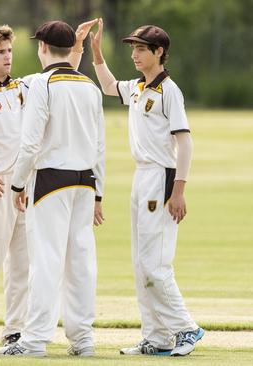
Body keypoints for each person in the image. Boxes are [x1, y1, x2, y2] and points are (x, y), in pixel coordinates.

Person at [0, 20, 97, 347]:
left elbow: (64, 73)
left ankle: (15, 329)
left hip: (28, 184)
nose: (7, 57)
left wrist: (75, 44)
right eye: (0, 52)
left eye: (10, 51)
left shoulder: (25, 86)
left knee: (22, 263)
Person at [90, 19, 204, 357]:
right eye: (133, 49)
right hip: (142, 177)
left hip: (161, 177)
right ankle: (155, 336)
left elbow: (184, 143)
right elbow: (110, 87)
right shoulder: (139, 88)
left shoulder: (169, 91)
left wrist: (179, 189)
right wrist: (96, 55)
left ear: (159, 52)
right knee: (141, 264)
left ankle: (186, 328)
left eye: (141, 49)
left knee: (155, 263)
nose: (135, 55)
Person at [0, 20, 105, 357]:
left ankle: (34, 340)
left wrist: (17, 183)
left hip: (50, 181)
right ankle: (83, 339)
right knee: (81, 259)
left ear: (42, 47)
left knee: (46, 260)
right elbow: (100, 145)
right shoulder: (89, 86)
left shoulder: (42, 84)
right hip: (85, 182)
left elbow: (30, 144)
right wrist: (99, 192)